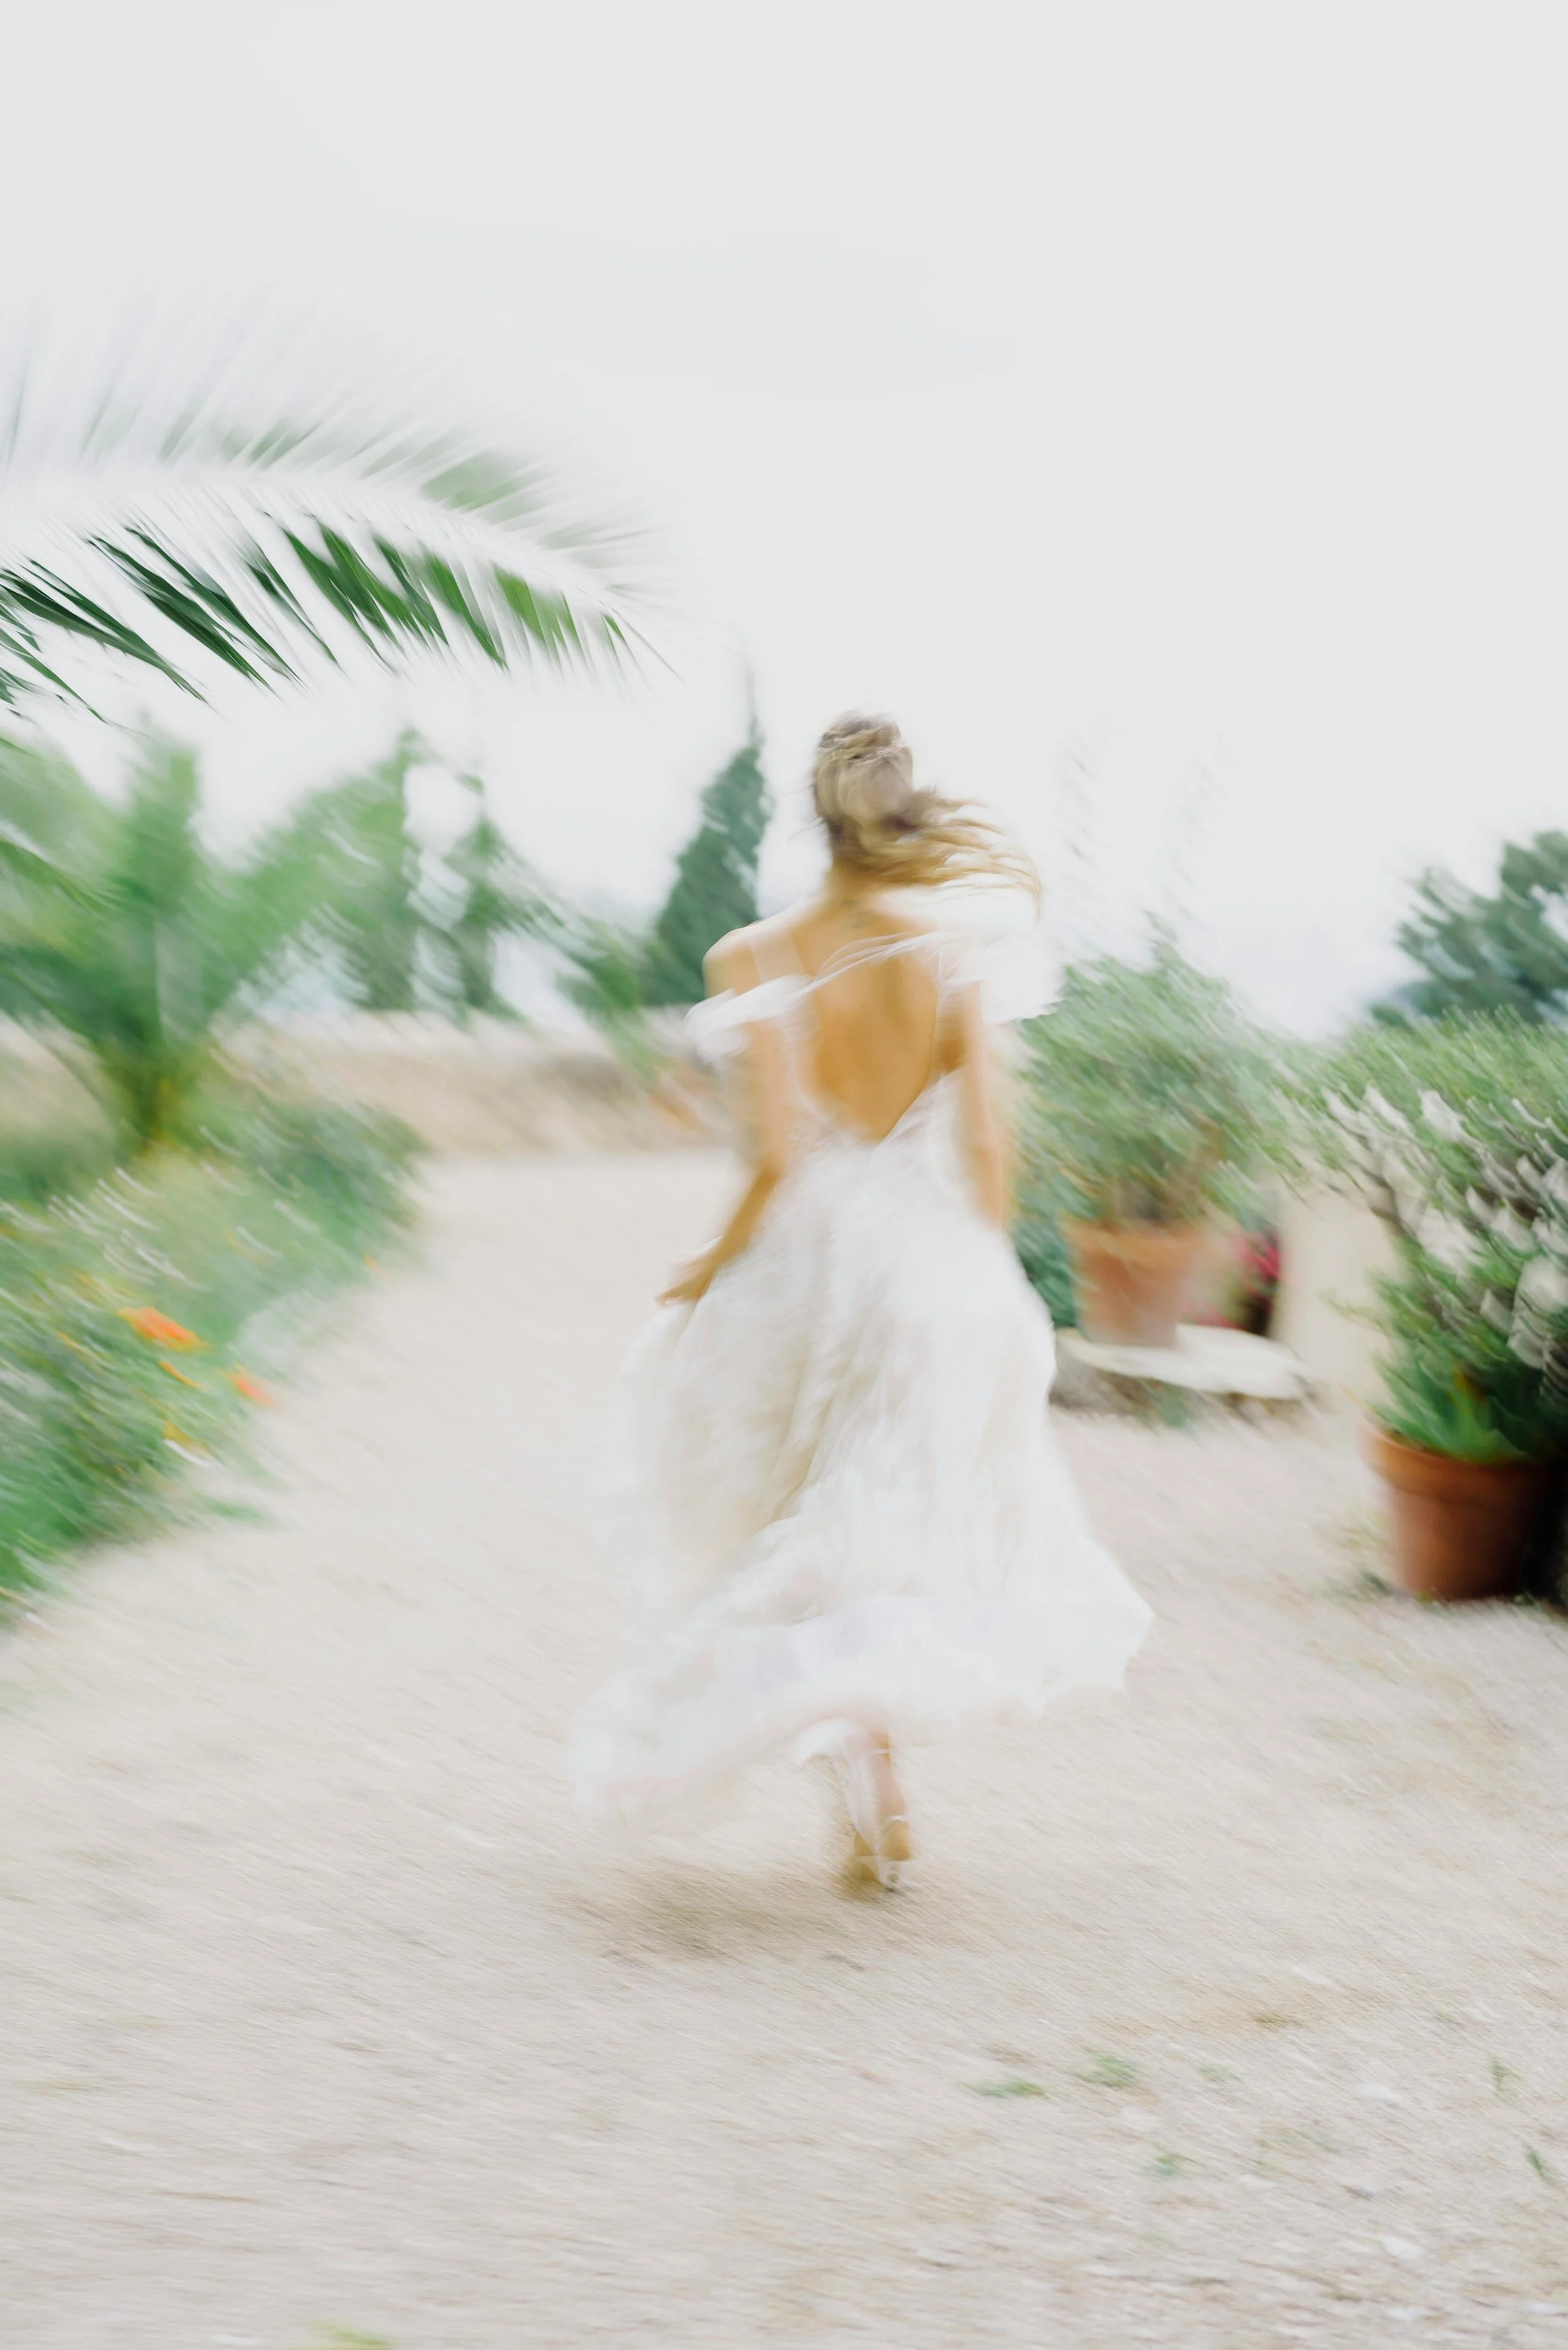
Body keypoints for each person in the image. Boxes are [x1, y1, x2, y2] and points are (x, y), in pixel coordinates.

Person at [572, 715, 1152, 1888]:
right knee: (870, 1526)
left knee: (796, 1519)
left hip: (803, 1268)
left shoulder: (754, 956)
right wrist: (978, 1267)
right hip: (931, 1265)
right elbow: (990, 1145)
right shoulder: (952, 956)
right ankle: (871, 1777)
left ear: (815, 820)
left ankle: (858, 1776)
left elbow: (776, 1157)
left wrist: (703, 1264)